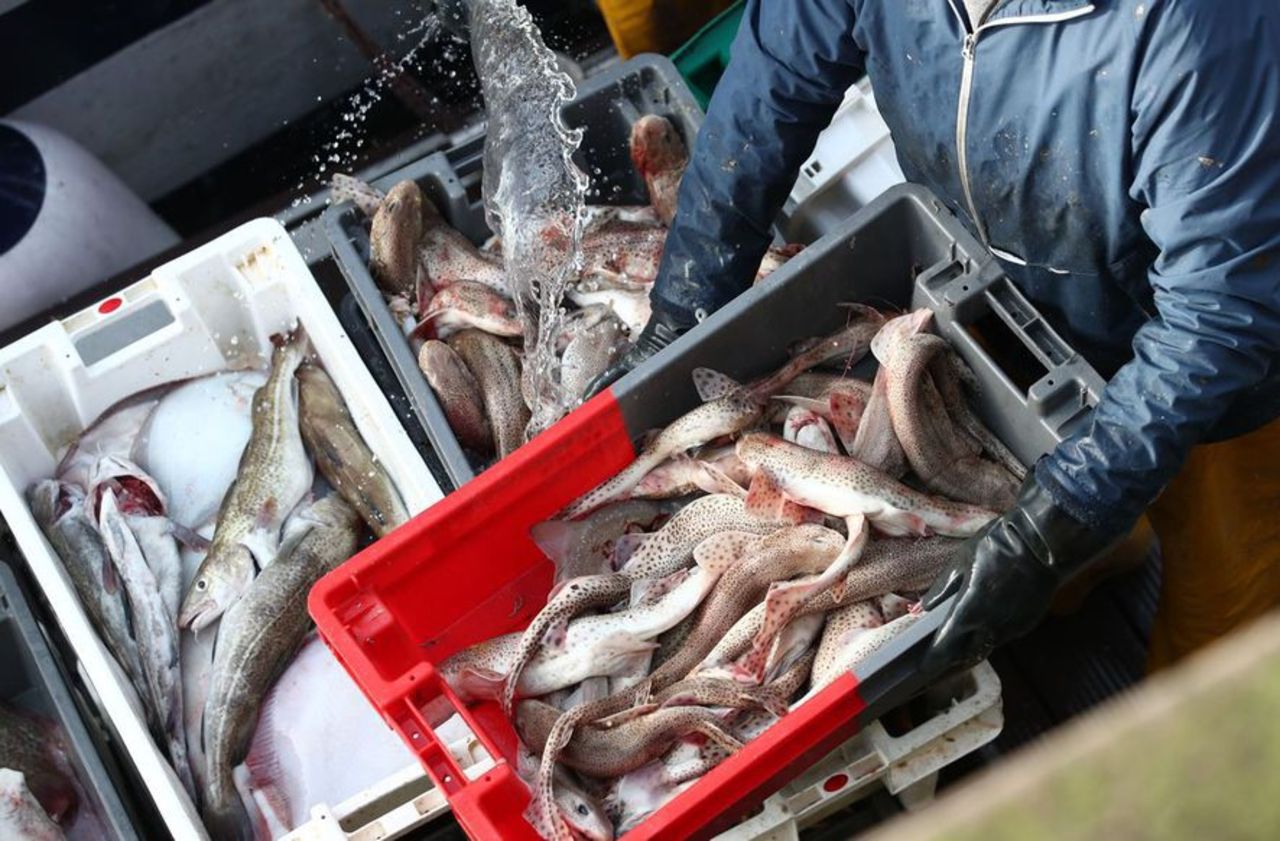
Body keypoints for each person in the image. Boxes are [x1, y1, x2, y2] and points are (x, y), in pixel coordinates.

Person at [592, 0, 1280, 674]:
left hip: (1225, 368)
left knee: (1223, 602)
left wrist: (1060, 519)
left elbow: (1222, 311)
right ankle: (1111, 540)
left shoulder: (1201, 26)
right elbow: (766, 96)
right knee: (1057, 519)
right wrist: (682, 311)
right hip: (1027, 299)